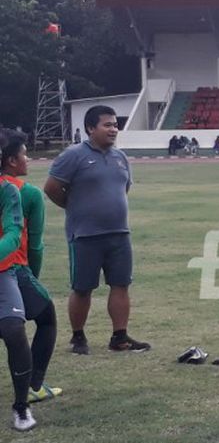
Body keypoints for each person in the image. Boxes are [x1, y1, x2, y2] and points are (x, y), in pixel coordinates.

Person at [44, 105, 150, 356]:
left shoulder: (120, 157)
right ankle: (78, 337)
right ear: (91, 128)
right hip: (85, 235)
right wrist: (75, 208)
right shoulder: (74, 155)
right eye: (107, 125)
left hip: (119, 234)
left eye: (115, 124)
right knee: (82, 287)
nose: (113, 129)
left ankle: (119, 337)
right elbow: (51, 188)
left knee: (121, 284)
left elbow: (123, 190)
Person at [0, 129, 61, 405]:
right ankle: (34, 385)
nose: (28, 159)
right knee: (46, 316)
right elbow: (34, 246)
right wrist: (33, 277)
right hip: (13, 268)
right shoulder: (29, 194)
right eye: (25, 154)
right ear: (12, 160)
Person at [0, 130, 36, 431]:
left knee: (14, 329)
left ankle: (22, 406)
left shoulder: (7, 191)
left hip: (2, 272)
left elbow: (13, 234)